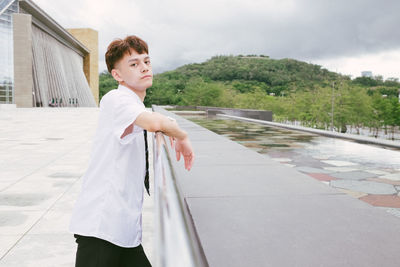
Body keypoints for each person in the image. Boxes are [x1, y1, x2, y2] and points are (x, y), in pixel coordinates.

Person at [69, 35, 195, 267]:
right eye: (134, 64)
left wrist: (171, 128)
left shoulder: (133, 105)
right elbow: (154, 123)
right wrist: (182, 136)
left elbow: (155, 120)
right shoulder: (116, 99)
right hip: (102, 230)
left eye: (147, 61)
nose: (144, 68)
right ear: (117, 75)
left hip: (123, 231)